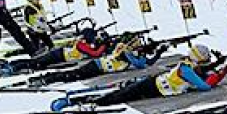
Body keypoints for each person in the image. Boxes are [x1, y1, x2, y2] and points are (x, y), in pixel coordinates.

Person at [51, 43, 227, 110]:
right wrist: (221, 73)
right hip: (151, 86)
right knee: (117, 96)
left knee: (119, 94)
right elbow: (204, 86)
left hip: (154, 86)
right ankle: (77, 102)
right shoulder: (187, 69)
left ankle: (79, 100)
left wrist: (221, 69)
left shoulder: (189, 65)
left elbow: (146, 62)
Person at [30, 40, 167, 87]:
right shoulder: (125, 52)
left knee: (72, 75)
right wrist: (148, 53)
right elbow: (139, 64)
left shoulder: (128, 51)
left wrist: (158, 53)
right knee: (71, 75)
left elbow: (146, 62)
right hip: (97, 66)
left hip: (99, 67)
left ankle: (46, 78)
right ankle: (45, 79)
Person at [2, 26, 110, 75]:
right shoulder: (82, 44)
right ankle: (13, 66)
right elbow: (95, 53)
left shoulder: (83, 42)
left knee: (36, 62)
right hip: (59, 55)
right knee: (36, 62)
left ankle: (13, 65)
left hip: (60, 54)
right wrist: (104, 46)